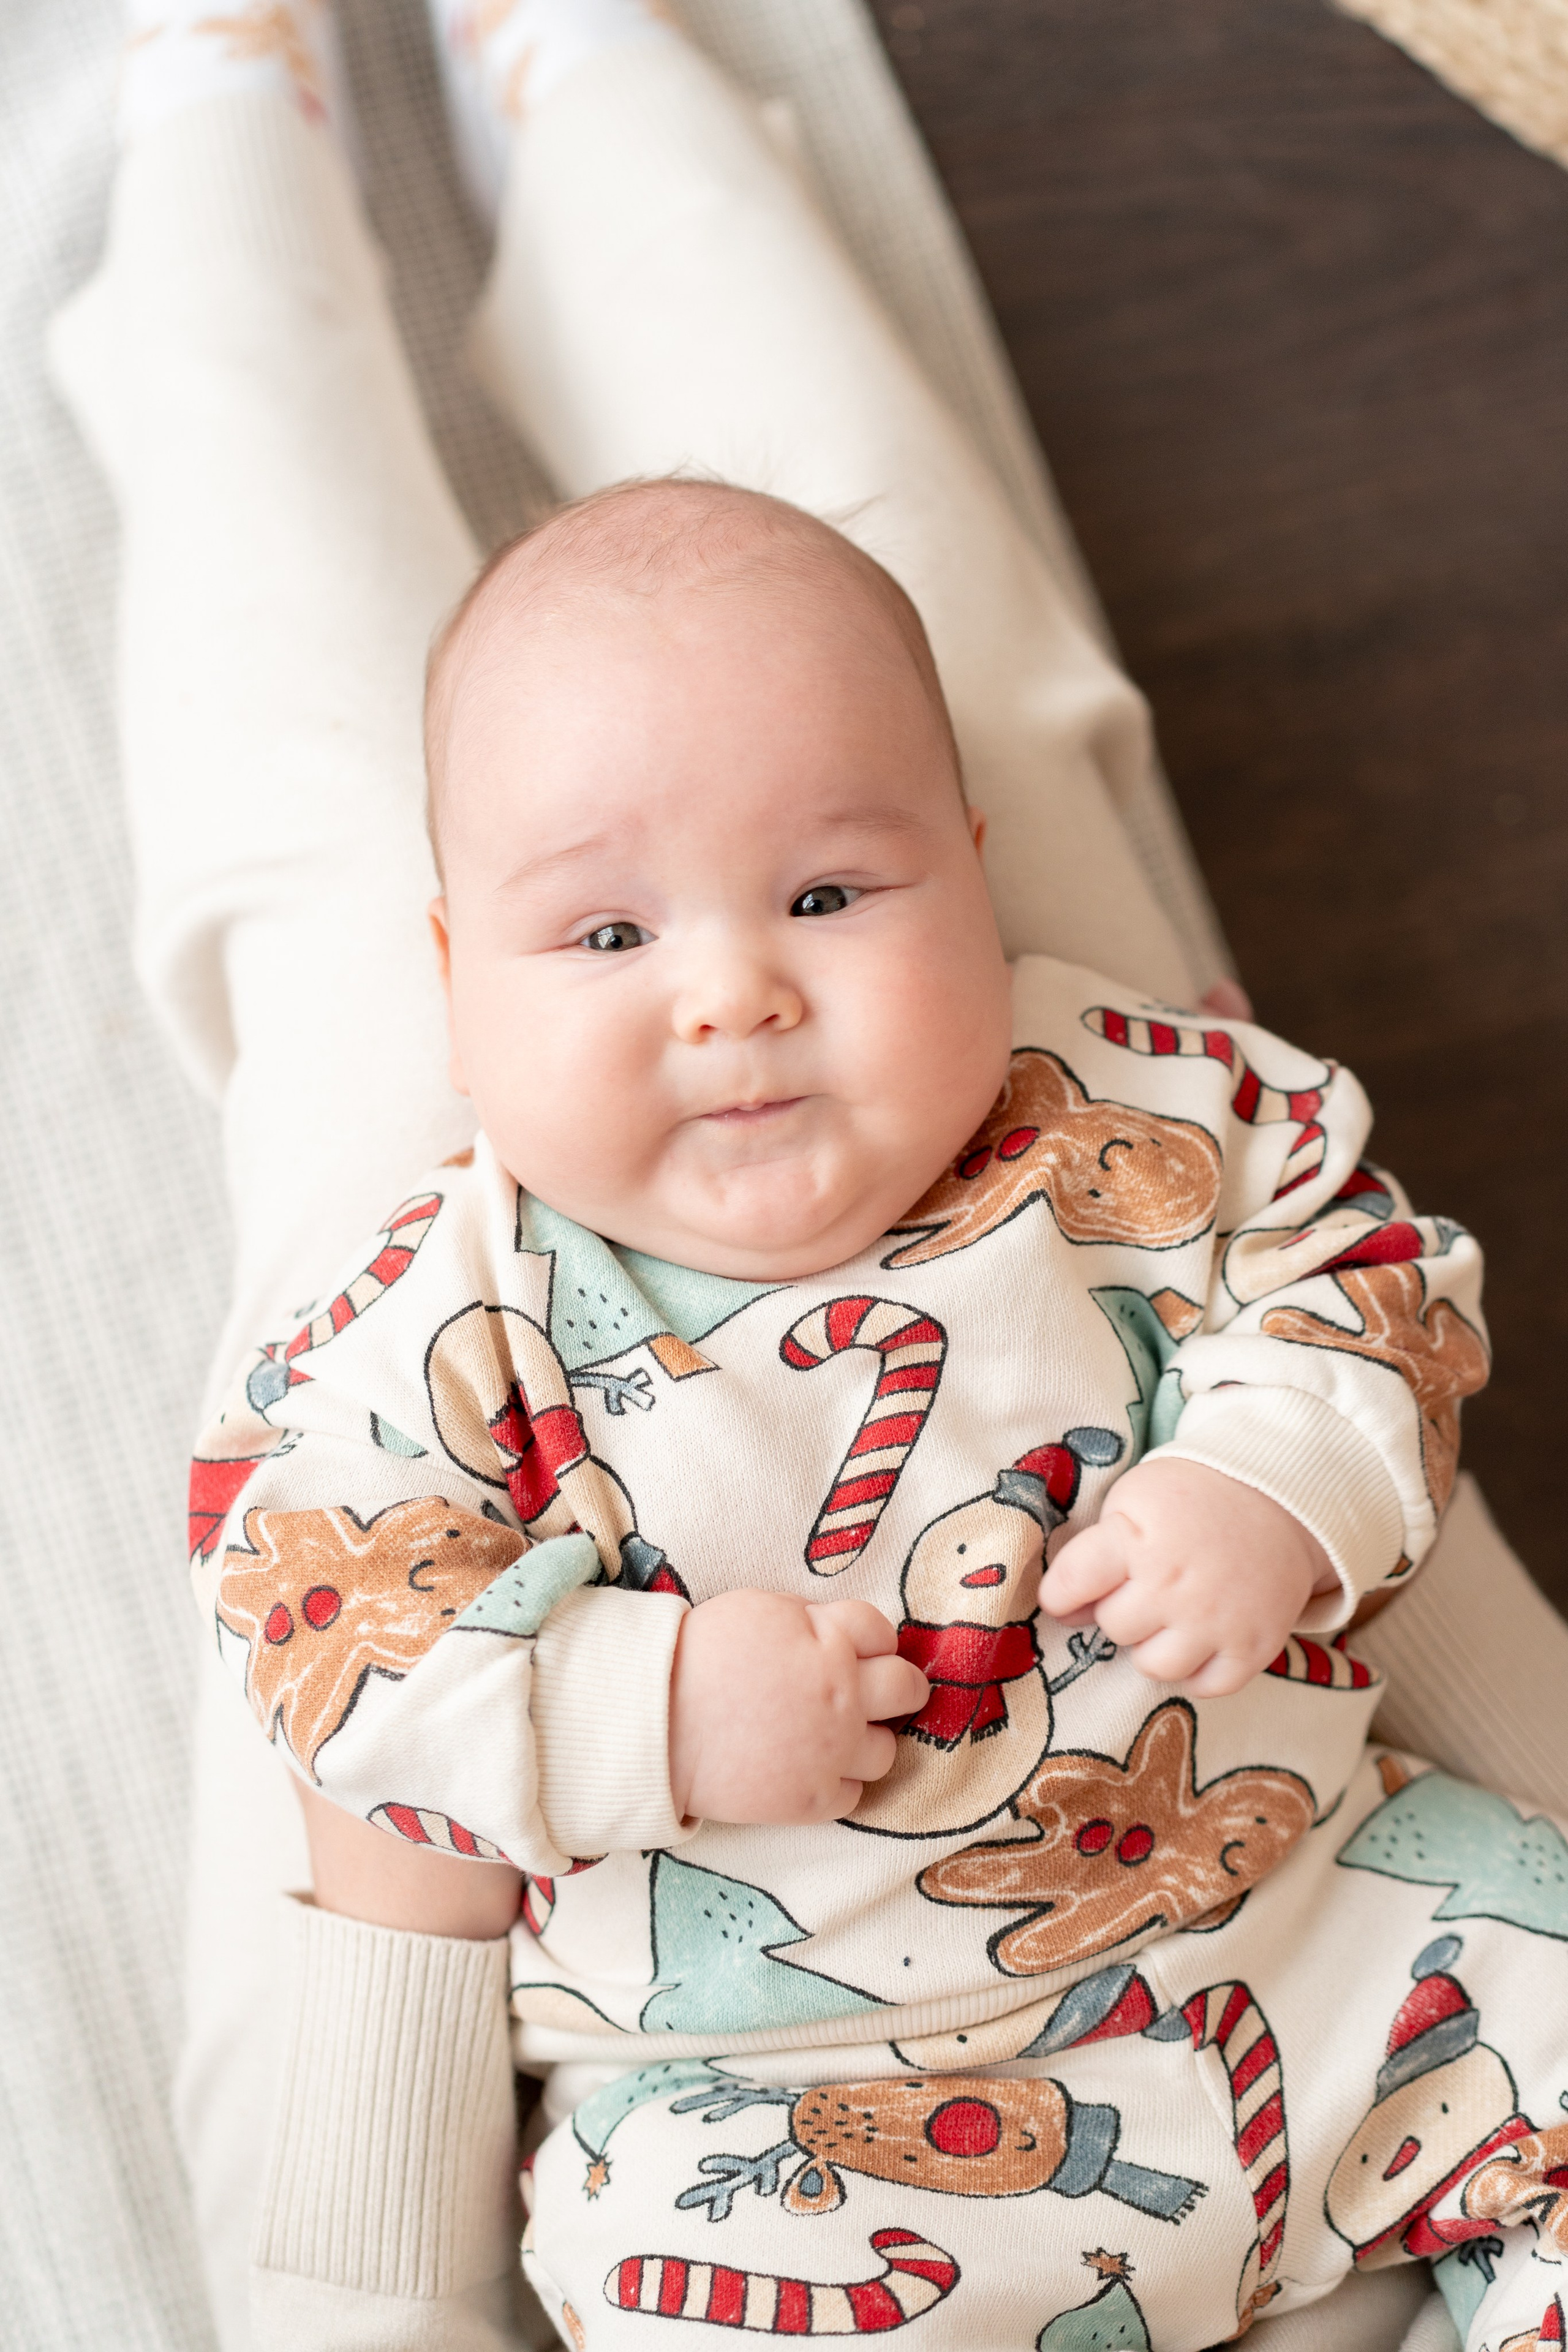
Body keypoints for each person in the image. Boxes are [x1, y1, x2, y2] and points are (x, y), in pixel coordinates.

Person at [48, 3, 1568, 2348]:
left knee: (803, 660)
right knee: (789, 652)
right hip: (802, 2135)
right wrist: (631, 1714)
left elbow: (1369, 1268)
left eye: (837, 901)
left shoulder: (1113, 1112)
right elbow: (325, 1626)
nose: (735, 997)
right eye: (609, 942)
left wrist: (1280, 1467)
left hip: (1318, 1953)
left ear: (965, 882)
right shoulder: (447, 1316)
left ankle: (301, 128)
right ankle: (468, 110)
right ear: (459, 982)